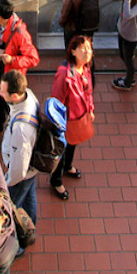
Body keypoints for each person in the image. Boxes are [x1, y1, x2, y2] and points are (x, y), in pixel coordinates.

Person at [0, 0, 40, 139]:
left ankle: (17, 130)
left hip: (11, 76)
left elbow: (33, 59)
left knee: (11, 104)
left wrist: (12, 60)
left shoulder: (20, 34)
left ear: (0, 16)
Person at [49, 35, 94, 201]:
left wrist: (90, 109)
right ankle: (56, 180)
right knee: (61, 149)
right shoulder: (64, 74)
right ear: (73, 51)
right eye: (82, 48)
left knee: (73, 143)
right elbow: (56, 100)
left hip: (79, 118)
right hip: (66, 120)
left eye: (89, 48)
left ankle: (68, 166)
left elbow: (88, 92)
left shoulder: (85, 68)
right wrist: (58, 123)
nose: (87, 52)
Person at [0, 70, 39, 226]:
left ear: (14, 96)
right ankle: (31, 227)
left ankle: (20, 239)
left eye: (3, 91)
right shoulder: (28, 95)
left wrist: (6, 183)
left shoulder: (21, 130)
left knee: (11, 208)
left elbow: (18, 171)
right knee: (29, 197)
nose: (0, 93)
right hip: (31, 170)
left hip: (21, 176)